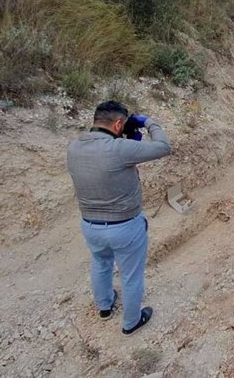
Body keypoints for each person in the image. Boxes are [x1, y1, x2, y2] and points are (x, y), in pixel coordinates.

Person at [66, 101, 172, 334]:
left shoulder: (74, 147)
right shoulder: (119, 149)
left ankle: (104, 306)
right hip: (125, 227)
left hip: (90, 224)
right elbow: (164, 146)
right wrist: (148, 122)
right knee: (131, 276)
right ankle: (131, 322)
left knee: (100, 264)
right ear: (117, 124)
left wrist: (126, 141)